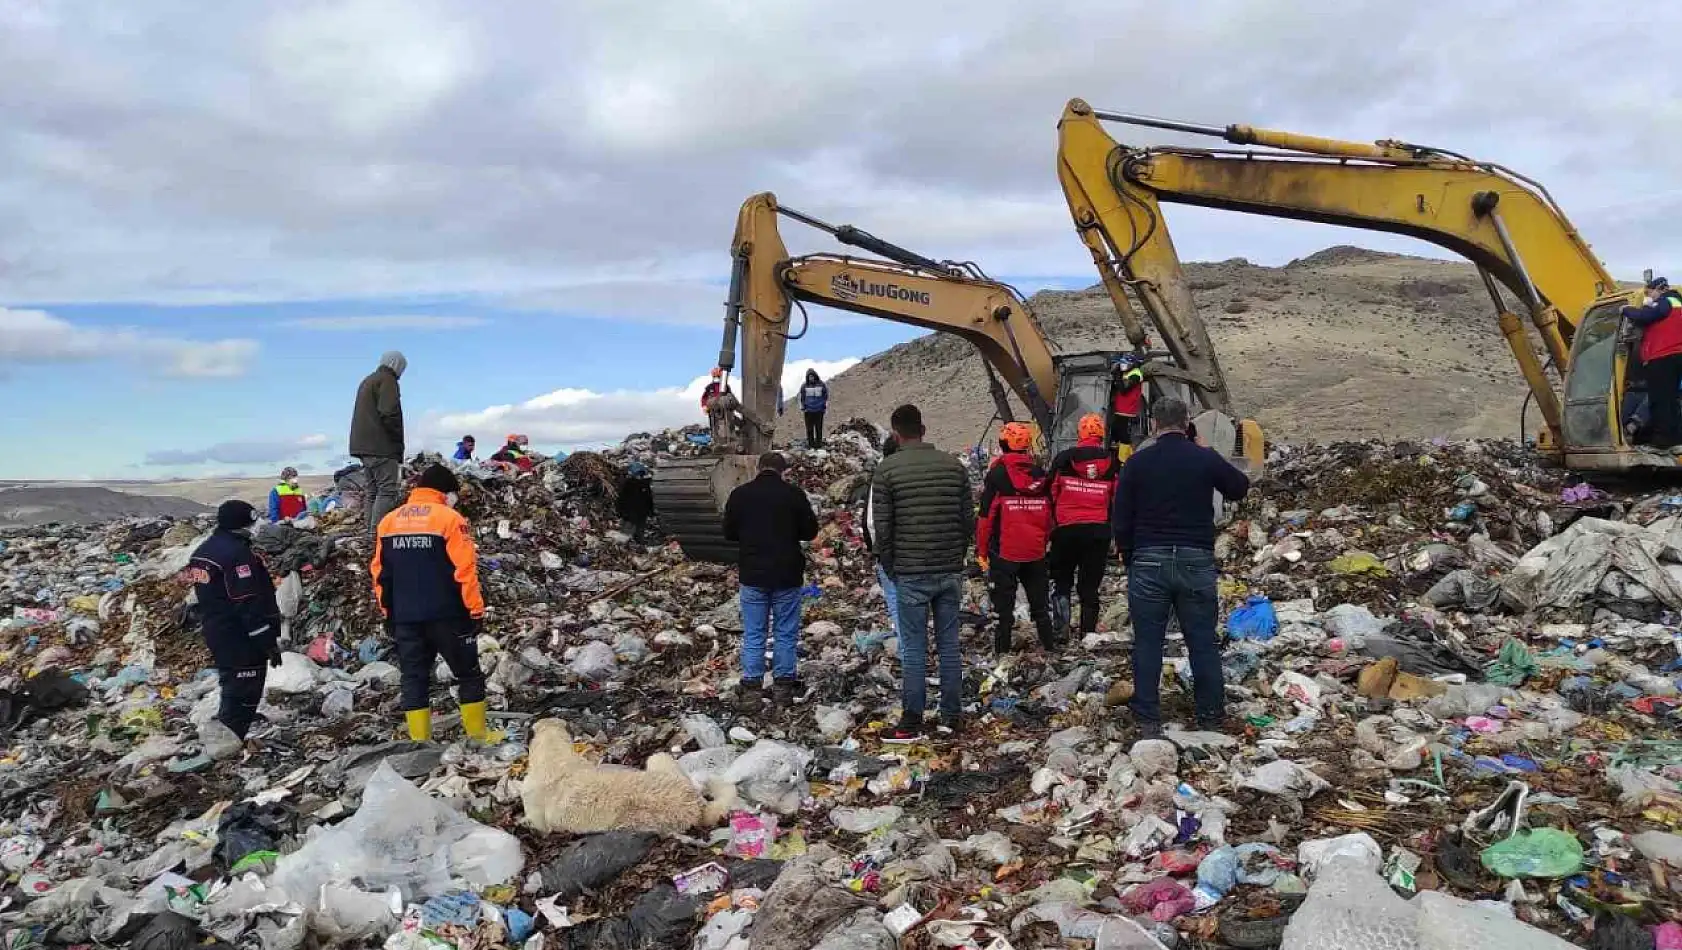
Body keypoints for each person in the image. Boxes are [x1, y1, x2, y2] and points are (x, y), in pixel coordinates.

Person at [1113, 397, 1250, 738]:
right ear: (1187, 422)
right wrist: (1205, 449)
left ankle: (1147, 718)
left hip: (1149, 559)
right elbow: (1239, 487)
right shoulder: (1202, 458)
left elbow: (1121, 518)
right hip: (1195, 559)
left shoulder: (1138, 463)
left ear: (1154, 425)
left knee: (1147, 641)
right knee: (1201, 640)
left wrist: (1131, 557)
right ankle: (1210, 715)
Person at [872, 404, 974, 741]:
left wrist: (891, 568)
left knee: (914, 648)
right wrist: (955, 557)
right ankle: (950, 717)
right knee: (948, 645)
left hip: (911, 573)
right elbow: (967, 521)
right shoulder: (954, 467)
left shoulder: (887, 470)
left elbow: (883, 530)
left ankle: (912, 721)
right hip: (948, 570)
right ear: (924, 430)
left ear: (895, 433)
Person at [371, 464, 490, 743]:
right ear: (445, 491)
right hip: (447, 614)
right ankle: (478, 737)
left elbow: (380, 573)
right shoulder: (450, 519)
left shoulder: (389, 521)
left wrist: (388, 612)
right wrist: (475, 610)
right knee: (468, 675)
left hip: (405, 616)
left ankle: (420, 742)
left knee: (414, 677)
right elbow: (465, 570)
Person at [723, 452, 820, 714]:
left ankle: (752, 691)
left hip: (753, 574)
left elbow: (729, 532)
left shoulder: (740, 495)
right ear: (783, 470)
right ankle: (783, 691)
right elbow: (811, 531)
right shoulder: (793, 495)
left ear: (758, 467)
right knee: (785, 633)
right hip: (787, 574)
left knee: (754, 634)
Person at [188, 501, 282, 740]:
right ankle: (227, 743)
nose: (258, 525)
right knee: (243, 691)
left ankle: (225, 735)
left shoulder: (202, 551)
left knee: (232, 686)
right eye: (253, 520)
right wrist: (267, 641)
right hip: (239, 637)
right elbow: (247, 603)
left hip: (217, 630)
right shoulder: (237, 556)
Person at [977, 421, 1057, 655]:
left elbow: (985, 517)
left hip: (1005, 552)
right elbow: (1050, 516)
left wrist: (982, 552)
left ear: (1003, 445)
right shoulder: (1040, 475)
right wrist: (1043, 541)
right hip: (1035, 552)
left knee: (1004, 611)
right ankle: (1049, 647)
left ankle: (1002, 652)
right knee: (1041, 607)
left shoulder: (997, 475)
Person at [1048, 413, 1120, 638]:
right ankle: (1087, 633)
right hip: (1098, 532)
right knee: (1089, 587)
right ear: (1101, 434)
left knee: (1062, 582)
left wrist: (1049, 528)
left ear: (1080, 433)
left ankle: (1061, 630)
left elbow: (1050, 492)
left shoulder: (1063, 459)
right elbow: (1118, 498)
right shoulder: (1112, 462)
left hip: (1066, 530)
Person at [350, 350, 407, 535]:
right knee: (387, 490)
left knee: (372, 491)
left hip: (363, 447)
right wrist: (398, 444)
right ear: (397, 365)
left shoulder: (368, 380)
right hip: (381, 447)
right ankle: (378, 535)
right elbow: (389, 413)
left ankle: (369, 532)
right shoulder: (387, 381)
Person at [1622, 276, 1682, 451]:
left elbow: (1645, 316)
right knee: (1670, 400)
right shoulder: (1676, 303)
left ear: (1660, 289)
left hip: (1663, 356)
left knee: (1659, 399)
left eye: (1650, 292)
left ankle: (1661, 441)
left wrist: (1627, 310)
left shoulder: (1667, 301)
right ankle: (1675, 440)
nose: (1650, 296)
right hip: (1674, 356)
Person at [861, 434, 901, 656]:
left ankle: (908, 655)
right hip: (920, 553)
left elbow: (870, 521)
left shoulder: (881, 477)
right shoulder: (912, 474)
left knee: (897, 603)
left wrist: (876, 549)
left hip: (890, 553)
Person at [1110, 355, 1147, 449]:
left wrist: (1117, 375)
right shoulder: (1127, 372)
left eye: (1125, 364)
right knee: (1116, 431)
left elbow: (1124, 389)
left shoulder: (1135, 375)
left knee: (1124, 437)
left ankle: (1124, 458)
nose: (1123, 366)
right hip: (1121, 408)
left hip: (1127, 410)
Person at [616, 462, 655, 542]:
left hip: (633, 513)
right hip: (637, 513)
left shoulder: (628, 484)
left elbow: (621, 499)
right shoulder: (643, 484)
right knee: (634, 531)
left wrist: (620, 512)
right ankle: (634, 543)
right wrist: (651, 512)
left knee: (628, 533)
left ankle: (631, 544)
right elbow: (649, 499)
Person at [799, 369, 830, 449]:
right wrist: (802, 407)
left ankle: (819, 444)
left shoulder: (821, 384)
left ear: (815, 376)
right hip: (808, 411)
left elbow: (826, 396)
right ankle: (811, 444)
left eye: (812, 376)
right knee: (809, 429)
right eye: (809, 377)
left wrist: (824, 406)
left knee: (818, 428)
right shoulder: (804, 386)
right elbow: (801, 397)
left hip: (819, 410)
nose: (811, 378)